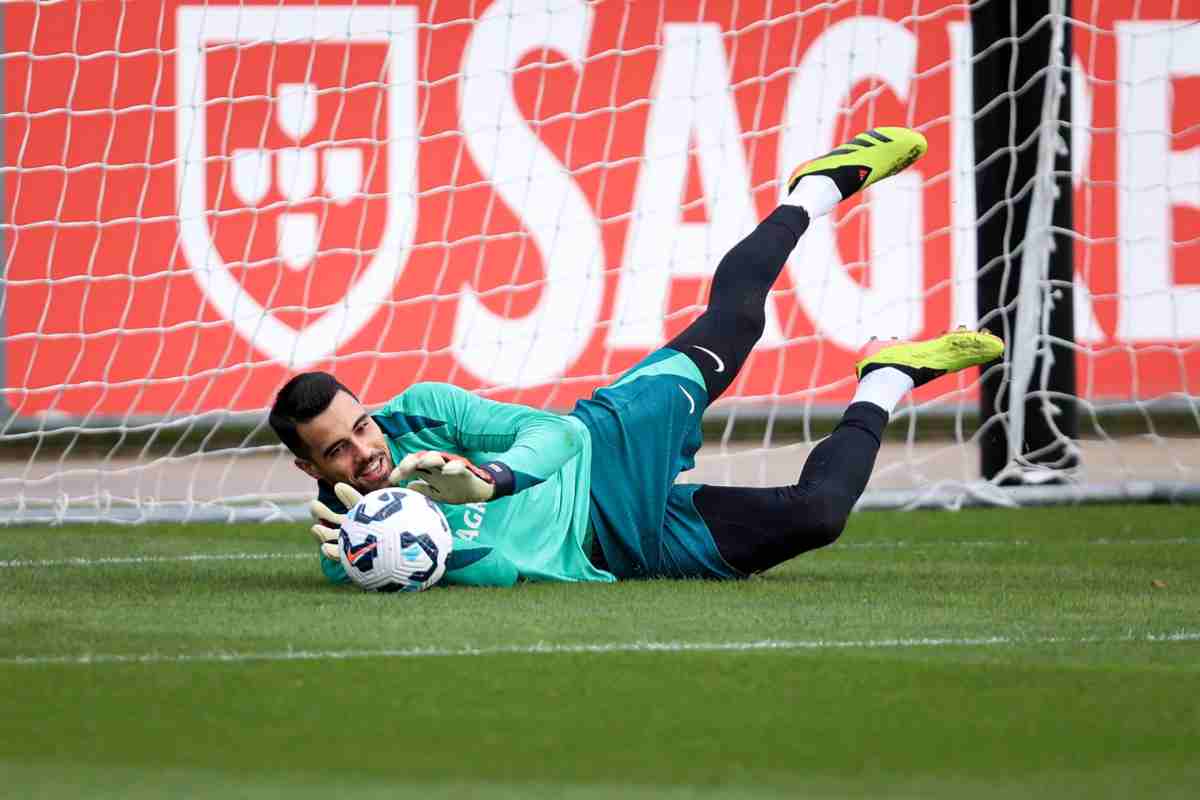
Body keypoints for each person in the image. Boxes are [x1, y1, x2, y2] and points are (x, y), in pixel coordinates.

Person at [268, 126, 1003, 588]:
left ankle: (815, 188)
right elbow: (496, 569)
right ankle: (890, 378)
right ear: (310, 468)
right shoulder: (350, 543)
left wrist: (486, 480)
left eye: (361, 426)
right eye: (337, 451)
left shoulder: (425, 413)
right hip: (622, 552)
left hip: (609, 449)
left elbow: (554, 434)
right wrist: (404, 550)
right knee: (816, 518)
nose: (364, 451)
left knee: (739, 320)